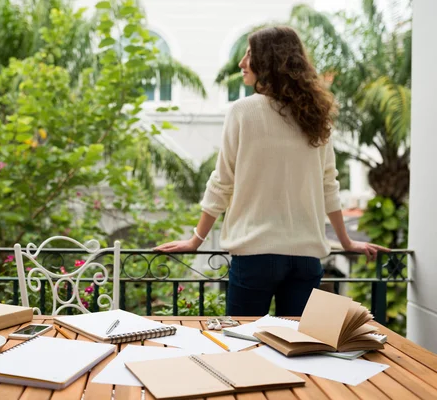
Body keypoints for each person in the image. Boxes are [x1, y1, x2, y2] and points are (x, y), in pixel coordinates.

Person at [153, 26, 389, 317]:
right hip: (306, 258)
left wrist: (195, 240)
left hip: (255, 256)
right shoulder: (317, 115)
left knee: (243, 345)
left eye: (249, 54)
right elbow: (330, 186)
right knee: (301, 348)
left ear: (268, 61)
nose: (241, 63)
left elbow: (222, 181)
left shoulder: (242, 111)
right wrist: (346, 241)